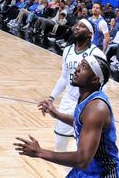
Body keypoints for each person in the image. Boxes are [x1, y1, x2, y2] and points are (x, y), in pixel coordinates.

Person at [42, 19, 106, 152]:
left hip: (86, 105)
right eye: (76, 25)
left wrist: (95, 104)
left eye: (82, 26)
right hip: (68, 100)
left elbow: (103, 83)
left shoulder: (97, 54)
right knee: (60, 145)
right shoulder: (67, 50)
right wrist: (51, 98)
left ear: (90, 34)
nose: (76, 27)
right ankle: (70, 172)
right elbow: (64, 78)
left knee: (83, 148)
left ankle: (82, 172)